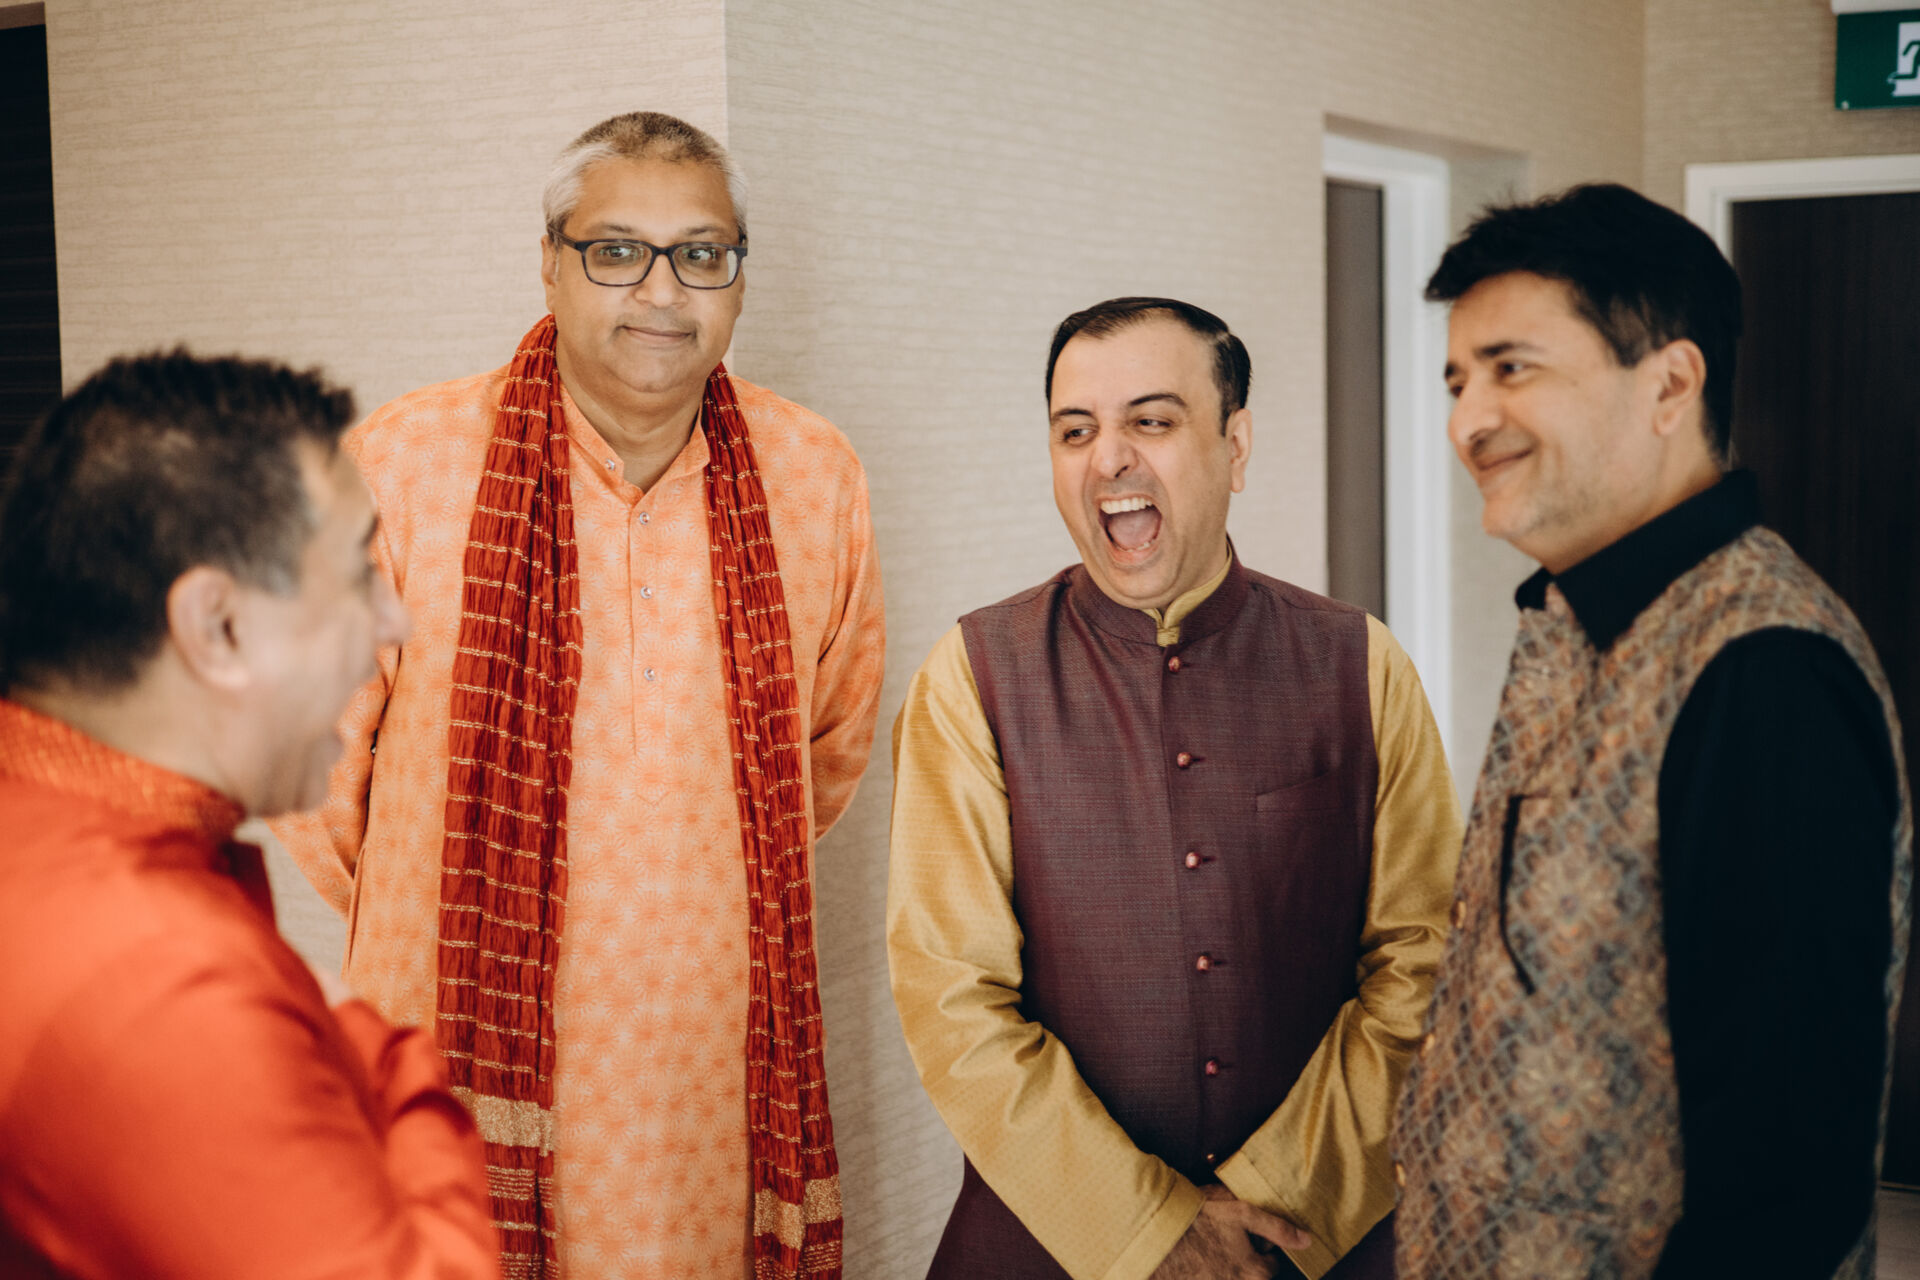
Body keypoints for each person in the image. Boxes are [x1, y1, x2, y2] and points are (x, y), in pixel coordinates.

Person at [270, 110, 884, 1279]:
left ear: (739, 276)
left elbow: (831, 750)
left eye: (701, 253)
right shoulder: (400, 465)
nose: (662, 290)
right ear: (549, 262)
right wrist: (461, 892)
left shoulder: (815, 474)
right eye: (616, 250)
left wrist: (680, 890)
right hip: (457, 1060)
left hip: (716, 1093)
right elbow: (310, 765)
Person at [1391, 183, 1912, 1279]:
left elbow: (1786, 1187)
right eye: (1458, 379)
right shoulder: (1580, 618)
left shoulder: (1764, 672)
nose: (1467, 420)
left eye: (1512, 368)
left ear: (1670, 383)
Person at [888, 296, 1463, 1280]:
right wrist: (1147, 1230)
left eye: (1150, 420)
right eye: (1075, 431)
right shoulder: (971, 677)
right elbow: (953, 998)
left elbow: (1427, 963)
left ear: (1235, 447)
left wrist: (1275, 1209)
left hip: (1314, 1244)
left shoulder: (1362, 665)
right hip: (1048, 1244)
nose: (1108, 457)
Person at [0, 351, 498, 1278]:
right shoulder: (163, 984)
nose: (396, 622)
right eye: (358, 576)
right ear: (218, 626)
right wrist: (380, 1051)